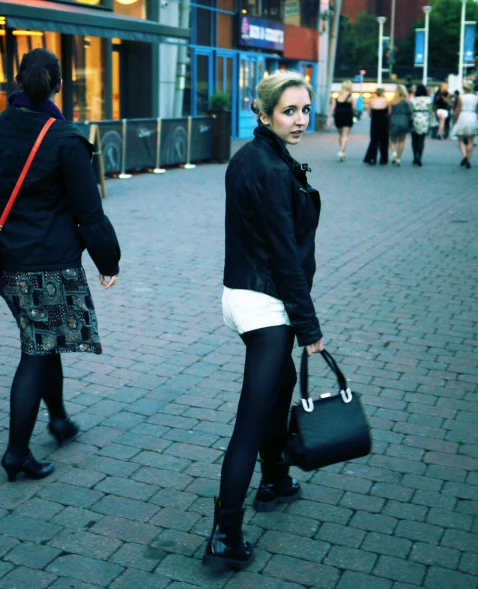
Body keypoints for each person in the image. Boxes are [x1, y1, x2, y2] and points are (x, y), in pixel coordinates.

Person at [0, 48, 121, 482]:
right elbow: (89, 212)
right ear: (57, 85)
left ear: (18, 81)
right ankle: (17, 454)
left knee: (42, 338)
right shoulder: (66, 139)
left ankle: (59, 420)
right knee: (37, 348)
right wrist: (109, 260)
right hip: (48, 264)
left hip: (4, 261)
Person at [206, 71, 323, 572]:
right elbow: (284, 258)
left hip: (240, 294)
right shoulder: (271, 169)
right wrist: (310, 328)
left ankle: (274, 479)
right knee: (249, 423)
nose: (298, 120)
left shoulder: (251, 156)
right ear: (265, 113)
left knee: (281, 387)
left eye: (303, 110)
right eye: (288, 112)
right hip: (265, 303)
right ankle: (224, 535)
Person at [451, 81, 477, 169]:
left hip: (463, 116)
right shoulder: (475, 98)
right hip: (472, 116)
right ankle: (468, 159)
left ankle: (464, 156)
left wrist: (455, 120)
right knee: (470, 140)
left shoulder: (461, 97)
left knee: (460, 139)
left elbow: (458, 109)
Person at [327, 80, 355, 161]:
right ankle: (341, 151)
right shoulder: (350, 97)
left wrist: (329, 118)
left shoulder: (337, 97)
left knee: (340, 135)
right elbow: (354, 108)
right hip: (347, 117)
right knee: (345, 135)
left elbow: (332, 108)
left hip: (338, 117)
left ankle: (343, 151)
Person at [363, 88, 390, 165]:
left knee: (374, 140)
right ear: (382, 93)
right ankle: (383, 159)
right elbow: (389, 112)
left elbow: (368, 113)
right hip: (384, 121)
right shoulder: (386, 101)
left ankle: (372, 158)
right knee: (384, 140)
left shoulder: (372, 101)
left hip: (374, 121)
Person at [389, 85, 412, 166]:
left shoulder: (392, 101)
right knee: (402, 141)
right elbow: (410, 112)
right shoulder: (407, 101)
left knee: (392, 140)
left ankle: (394, 154)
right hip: (404, 120)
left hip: (393, 120)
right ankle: (398, 159)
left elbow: (389, 113)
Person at [409, 84, 432, 167]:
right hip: (424, 118)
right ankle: (420, 157)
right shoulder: (428, 100)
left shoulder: (413, 99)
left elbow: (410, 110)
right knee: (421, 140)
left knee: (414, 139)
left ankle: (415, 156)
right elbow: (430, 111)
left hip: (415, 117)